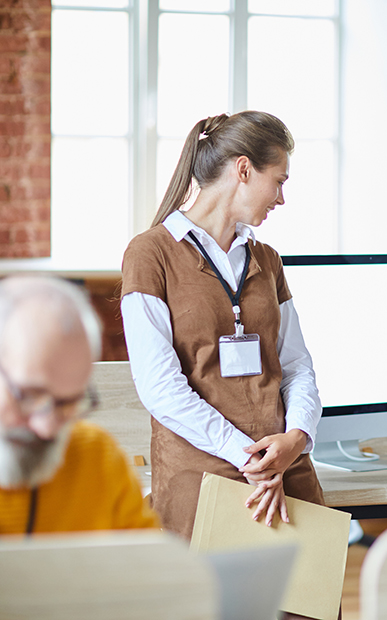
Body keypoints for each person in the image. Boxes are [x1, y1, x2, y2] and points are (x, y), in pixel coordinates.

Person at [120, 111, 325, 540]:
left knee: (308, 606)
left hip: (284, 469)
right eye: (280, 181)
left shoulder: (267, 259)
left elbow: (297, 366)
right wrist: (247, 458)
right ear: (244, 169)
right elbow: (160, 388)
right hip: (203, 475)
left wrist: (298, 436)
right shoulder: (150, 254)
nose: (281, 198)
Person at [0, 275, 160, 534]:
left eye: (69, 403)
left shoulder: (97, 459)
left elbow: (149, 567)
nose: (47, 427)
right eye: (29, 395)